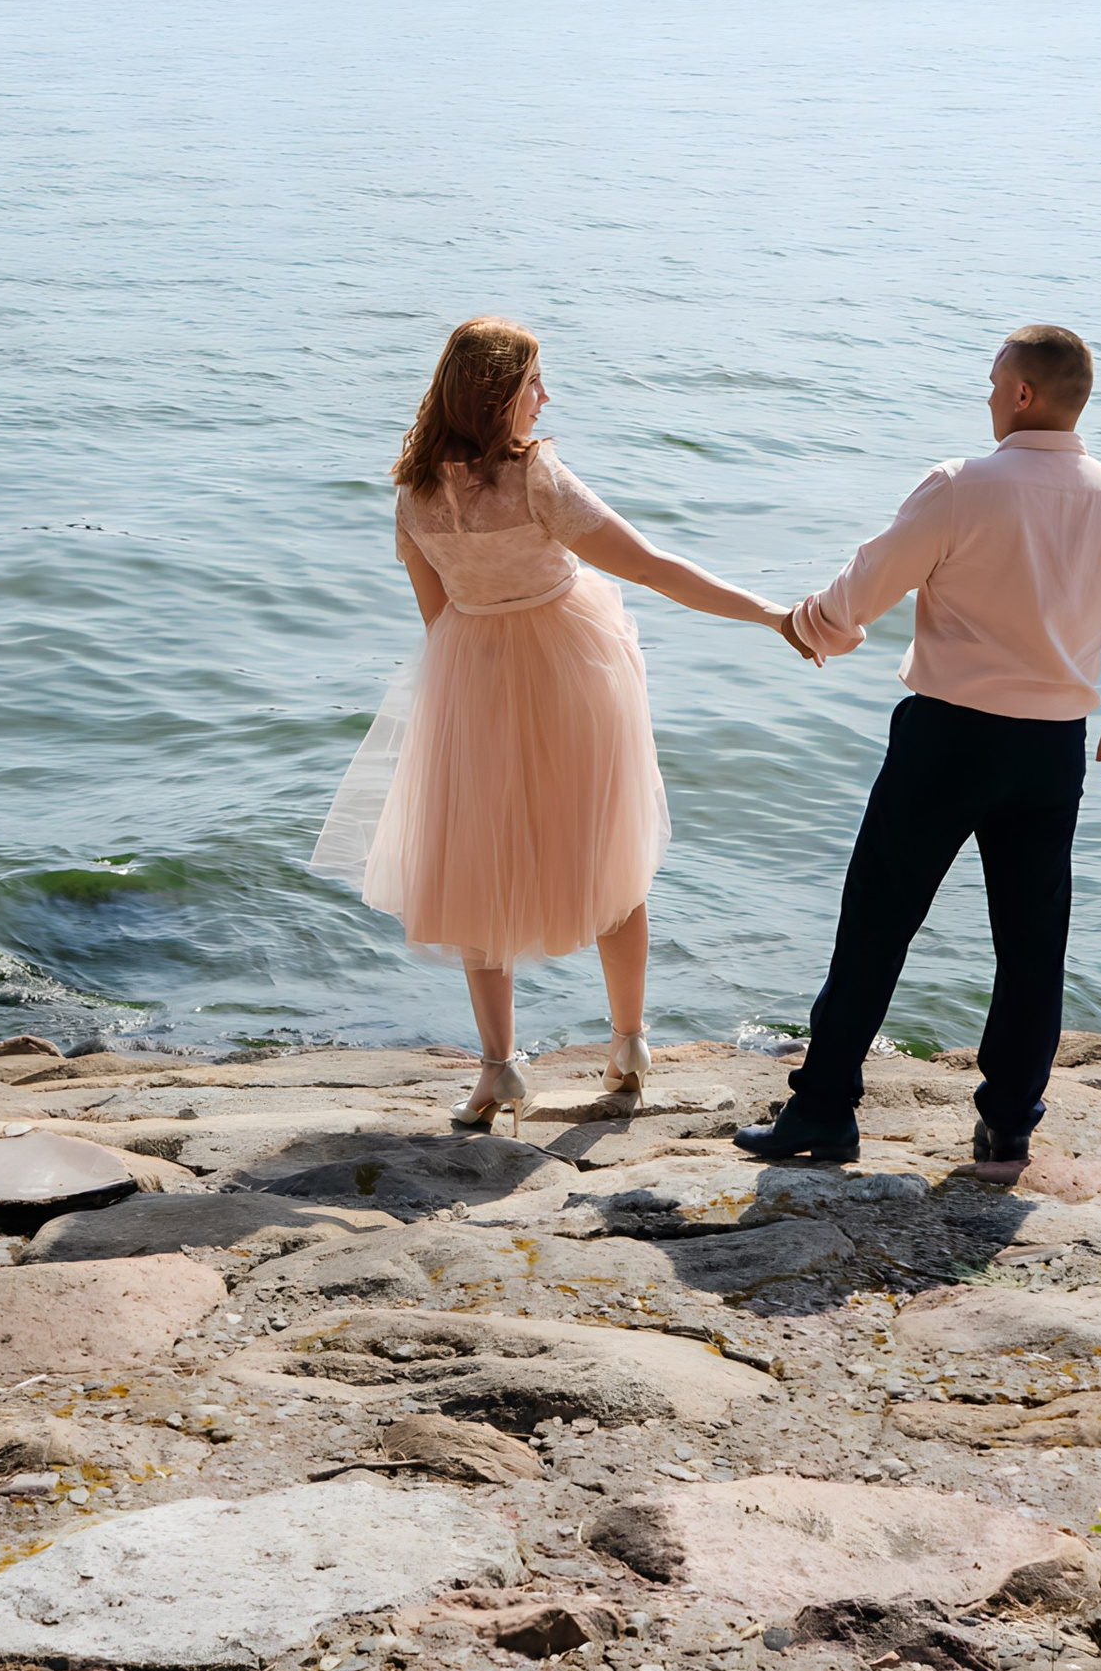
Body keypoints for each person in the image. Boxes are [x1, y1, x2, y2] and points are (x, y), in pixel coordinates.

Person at [313, 316, 807, 1131]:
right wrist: (771, 614)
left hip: (471, 675)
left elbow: (439, 621)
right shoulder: (537, 478)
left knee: (475, 866)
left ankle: (499, 1067)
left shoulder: (412, 493)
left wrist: (473, 695)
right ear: (498, 395)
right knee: (609, 852)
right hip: (573, 669)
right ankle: (629, 1043)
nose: (547, 397)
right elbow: (650, 565)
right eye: (535, 382)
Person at [736, 321, 1101, 1180]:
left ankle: (824, 1110)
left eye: (995, 378)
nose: (988, 392)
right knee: (1033, 942)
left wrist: (812, 626)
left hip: (951, 736)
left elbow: (867, 585)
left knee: (878, 923)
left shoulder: (962, 484)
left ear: (1024, 394)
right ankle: (1007, 1128)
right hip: (1051, 751)